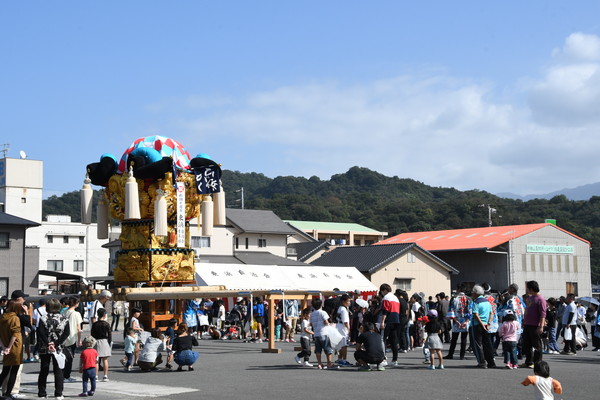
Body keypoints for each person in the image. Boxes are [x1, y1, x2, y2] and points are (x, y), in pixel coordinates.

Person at [37, 298, 70, 400]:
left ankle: (42, 393)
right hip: (58, 347)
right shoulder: (64, 319)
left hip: (45, 347)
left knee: (44, 369)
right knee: (58, 370)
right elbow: (66, 333)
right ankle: (58, 394)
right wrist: (55, 344)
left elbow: (41, 332)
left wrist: (48, 343)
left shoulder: (43, 318)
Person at [0, 300, 24, 399]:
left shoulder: (2, 317)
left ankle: (6, 393)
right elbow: (15, 334)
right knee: (14, 370)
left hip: (5, 344)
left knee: (5, 370)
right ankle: (8, 393)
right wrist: (9, 347)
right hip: (15, 346)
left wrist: (4, 347)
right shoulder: (15, 318)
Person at [520, 280, 547, 368]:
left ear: (531, 289)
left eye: (527, 288)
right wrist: (524, 321)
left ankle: (537, 363)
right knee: (527, 344)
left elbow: (543, 314)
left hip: (535, 325)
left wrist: (541, 326)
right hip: (527, 324)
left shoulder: (541, 299)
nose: (527, 290)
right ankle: (529, 362)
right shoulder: (530, 298)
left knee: (537, 345)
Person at [470, 284, 496, 368]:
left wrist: (481, 324)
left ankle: (482, 362)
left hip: (477, 325)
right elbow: (491, 313)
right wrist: (489, 323)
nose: (472, 294)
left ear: (475, 293)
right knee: (487, 344)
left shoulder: (476, 302)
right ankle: (491, 362)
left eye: (472, 292)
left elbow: (476, 314)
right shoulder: (487, 302)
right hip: (486, 325)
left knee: (478, 345)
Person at [309, 298, 337, 370]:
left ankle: (319, 364)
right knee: (328, 349)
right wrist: (330, 324)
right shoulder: (323, 312)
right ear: (321, 305)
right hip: (324, 332)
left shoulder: (312, 314)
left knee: (318, 350)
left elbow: (311, 324)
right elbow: (326, 322)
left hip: (316, 334)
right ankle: (329, 363)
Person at [444, 284, 471, 360]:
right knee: (464, 339)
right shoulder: (468, 299)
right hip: (465, 321)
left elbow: (451, 311)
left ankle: (450, 354)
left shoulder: (454, 298)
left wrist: (456, 321)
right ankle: (462, 355)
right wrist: (466, 321)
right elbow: (470, 311)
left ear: (458, 289)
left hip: (456, 321)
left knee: (454, 339)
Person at [379, 284, 401, 367]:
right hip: (396, 320)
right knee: (394, 340)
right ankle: (395, 360)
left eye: (382, 291)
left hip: (388, 320)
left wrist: (382, 321)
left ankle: (383, 359)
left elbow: (385, 311)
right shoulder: (396, 298)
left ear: (384, 290)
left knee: (383, 339)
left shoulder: (386, 298)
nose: (382, 293)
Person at [63, 296, 83, 383]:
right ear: (75, 303)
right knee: (70, 358)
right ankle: (66, 376)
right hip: (72, 337)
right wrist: (79, 339)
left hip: (63, 338)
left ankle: (63, 375)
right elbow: (79, 328)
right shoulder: (76, 314)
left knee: (63, 357)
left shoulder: (64, 312)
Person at [90, 308, 112, 382]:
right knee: (105, 359)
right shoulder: (106, 324)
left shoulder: (95, 324)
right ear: (104, 315)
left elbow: (92, 334)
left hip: (96, 341)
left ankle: (96, 376)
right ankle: (105, 376)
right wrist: (109, 343)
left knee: (96, 360)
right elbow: (109, 335)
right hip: (104, 341)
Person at [335, 294, 352, 366]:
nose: (349, 303)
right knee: (344, 345)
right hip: (343, 328)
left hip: (339, 327)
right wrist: (348, 329)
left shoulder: (340, 308)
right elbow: (345, 322)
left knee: (340, 345)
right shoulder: (344, 310)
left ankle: (339, 359)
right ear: (343, 301)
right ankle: (344, 360)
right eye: (348, 301)